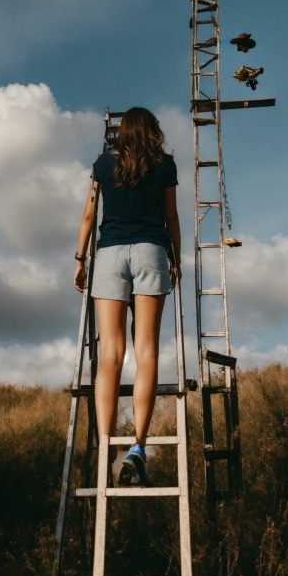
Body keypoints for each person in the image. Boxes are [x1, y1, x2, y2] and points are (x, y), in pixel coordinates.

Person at [74, 107, 181, 486]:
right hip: (152, 251)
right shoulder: (165, 165)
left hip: (110, 255)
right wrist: (176, 258)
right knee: (147, 351)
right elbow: (171, 216)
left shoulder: (102, 167)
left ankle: (105, 447)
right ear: (152, 131)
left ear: (120, 133)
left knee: (110, 355)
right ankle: (137, 447)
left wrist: (79, 259)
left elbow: (88, 217)